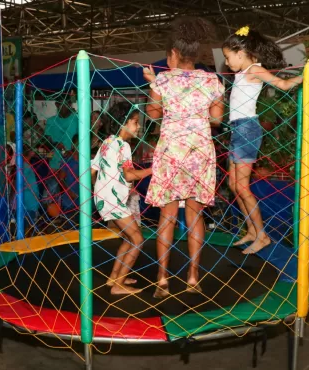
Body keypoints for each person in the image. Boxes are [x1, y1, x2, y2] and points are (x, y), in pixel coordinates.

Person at [222, 26, 309, 254]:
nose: (226, 62)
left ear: (240, 53)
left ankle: (262, 236)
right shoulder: (242, 72)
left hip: (247, 130)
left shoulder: (254, 69)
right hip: (237, 129)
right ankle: (252, 230)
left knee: (242, 187)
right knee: (234, 185)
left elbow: (282, 84)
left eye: (227, 57)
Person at [143, 17, 225, 298]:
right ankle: (193, 278)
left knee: (166, 216)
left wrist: (155, 89)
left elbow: (152, 114)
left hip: (171, 152)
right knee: (195, 215)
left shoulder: (163, 79)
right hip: (200, 153)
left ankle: (162, 280)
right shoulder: (212, 80)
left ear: (174, 54)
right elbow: (217, 119)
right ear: (196, 55)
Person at [91, 102, 152, 295]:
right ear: (123, 123)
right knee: (137, 239)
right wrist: (152, 170)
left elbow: (93, 170)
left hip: (104, 197)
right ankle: (117, 286)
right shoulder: (123, 145)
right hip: (113, 199)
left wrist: (99, 190)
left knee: (127, 238)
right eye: (135, 122)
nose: (138, 126)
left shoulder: (108, 141)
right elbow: (128, 175)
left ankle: (114, 278)